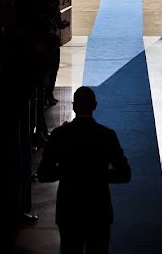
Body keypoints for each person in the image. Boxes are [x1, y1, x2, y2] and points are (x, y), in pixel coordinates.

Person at [36, 86, 131, 254]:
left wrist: (67, 171)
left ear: (73, 106)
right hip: (99, 208)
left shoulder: (59, 134)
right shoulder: (107, 135)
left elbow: (43, 174)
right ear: (95, 106)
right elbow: (124, 174)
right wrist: (98, 175)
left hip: (69, 209)